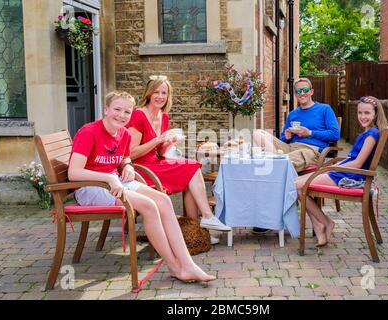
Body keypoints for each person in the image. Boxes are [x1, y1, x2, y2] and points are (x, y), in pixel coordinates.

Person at [68, 90, 216, 283]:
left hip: (114, 181)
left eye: (127, 112)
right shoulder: (89, 132)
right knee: (149, 206)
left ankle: (188, 264)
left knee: (162, 199)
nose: (121, 115)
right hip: (89, 187)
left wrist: (127, 165)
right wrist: (109, 178)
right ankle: (174, 267)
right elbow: (74, 173)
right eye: (117, 109)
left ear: (132, 113)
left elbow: (124, 157)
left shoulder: (124, 135)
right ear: (106, 109)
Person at [126, 75, 231, 245]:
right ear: (148, 93)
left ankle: (196, 228)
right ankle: (207, 217)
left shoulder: (163, 116)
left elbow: (159, 152)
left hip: (155, 162)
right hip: (139, 169)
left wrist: (168, 143)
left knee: (190, 169)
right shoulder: (138, 115)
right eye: (156, 92)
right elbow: (130, 153)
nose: (160, 96)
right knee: (191, 169)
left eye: (164, 93)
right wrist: (158, 140)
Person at [295, 96, 388, 246]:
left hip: (350, 176)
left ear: (375, 114)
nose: (363, 116)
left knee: (297, 187)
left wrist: (330, 168)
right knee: (296, 185)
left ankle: (324, 223)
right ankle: (320, 225)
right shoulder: (368, 133)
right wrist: (331, 167)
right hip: (343, 172)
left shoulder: (372, 135)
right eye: (360, 113)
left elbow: (358, 164)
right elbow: (353, 158)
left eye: (367, 113)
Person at [252, 77, 340, 234]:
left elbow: (335, 134)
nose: (302, 93)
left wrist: (310, 133)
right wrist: (285, 136)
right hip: (290, 147)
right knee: (257, 133)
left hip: (311, 150)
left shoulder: (324, 109)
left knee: (274, 168)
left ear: (311, 91)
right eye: (298, 91)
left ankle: (270, 215)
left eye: (305, 90)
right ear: (295, 94)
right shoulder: (293, 114)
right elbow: (281, 139)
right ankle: (277, 165)